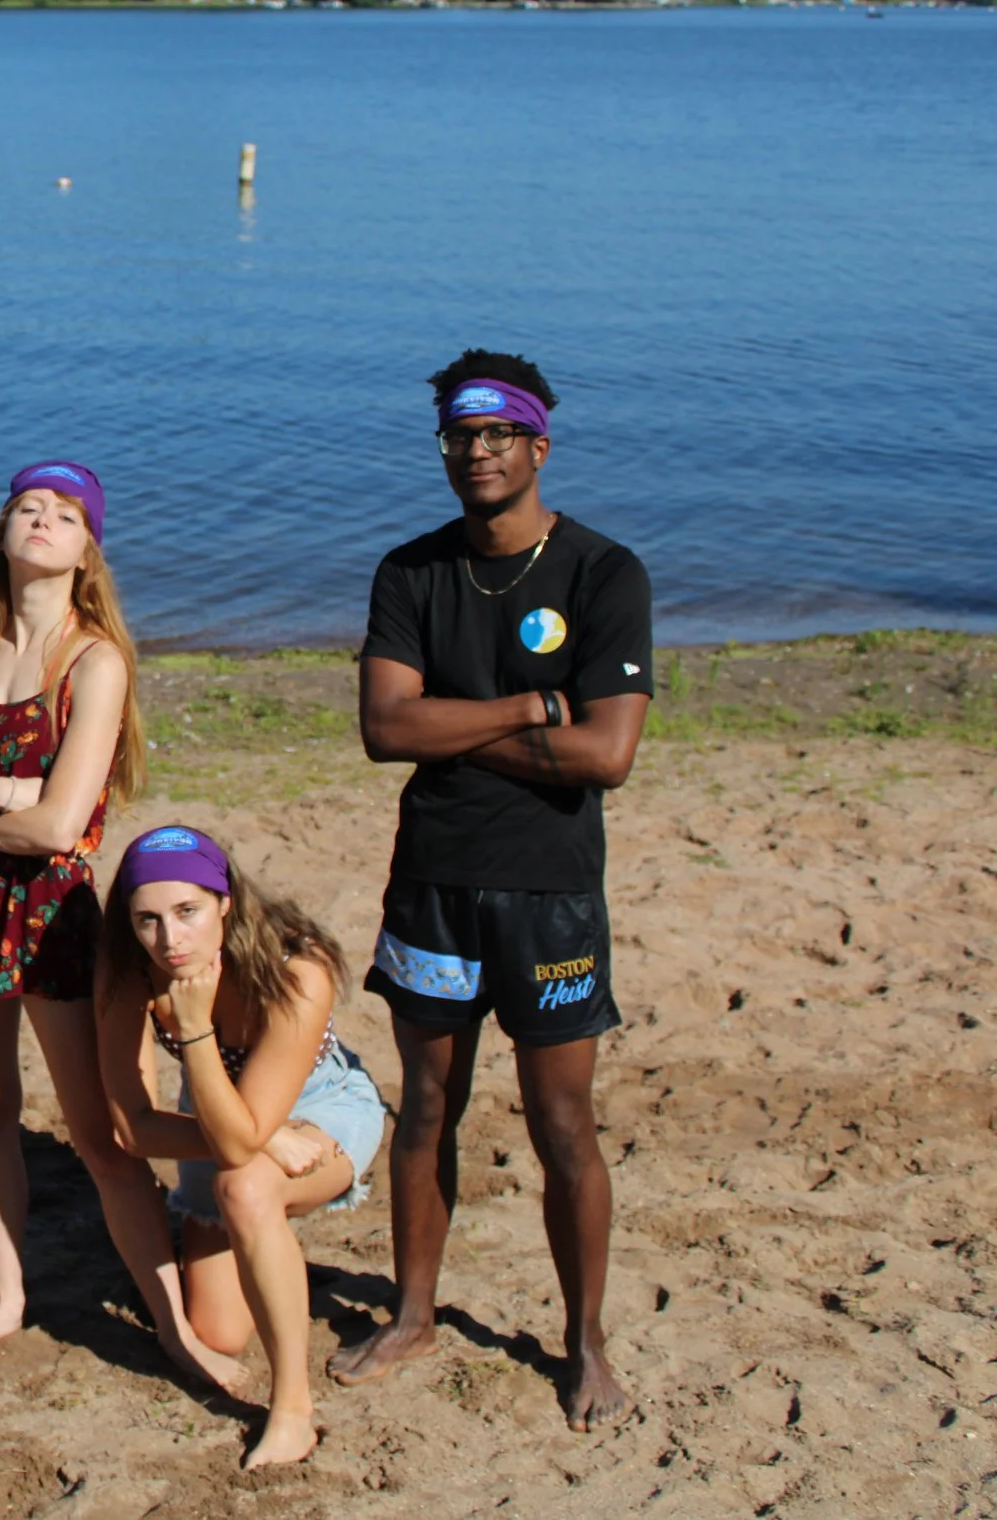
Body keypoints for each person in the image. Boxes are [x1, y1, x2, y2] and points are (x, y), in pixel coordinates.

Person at [327, 351, 651, 1432]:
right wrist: (521, 710)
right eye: (460, 436)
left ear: (537, 445)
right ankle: (413, 1313)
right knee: (426, 1105)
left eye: (497, 434)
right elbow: (385, 729)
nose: (476, 452)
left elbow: (606, 754)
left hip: (551, 889)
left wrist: (452, 727)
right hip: (434, 879)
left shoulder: (605, 573)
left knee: (561, 1120)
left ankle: (585, 1340)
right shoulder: (411, 571)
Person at [0, 462, 211, 1372]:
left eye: (65, 515)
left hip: (51, 913)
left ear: (86, 550)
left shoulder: (94, 661)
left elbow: (61, 827)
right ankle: (8, 1294)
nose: (41, 520)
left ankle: (174, 1327)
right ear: (0, 535)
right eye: (27, 507)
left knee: (100, 1134)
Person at [95, 825, 387, 1469]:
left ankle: (292, 1412)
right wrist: (259, 1134)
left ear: (225, 902)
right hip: (222, 1112)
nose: (170, 940)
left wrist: (193, 1030)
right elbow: (133, 1129)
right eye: (147, 920)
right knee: (219, 1333)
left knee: (245, 1186)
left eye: (188, 912)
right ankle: (265, 1244)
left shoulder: (296, 967)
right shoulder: (128, 968)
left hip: (321, 1102)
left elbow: (235, 1149)